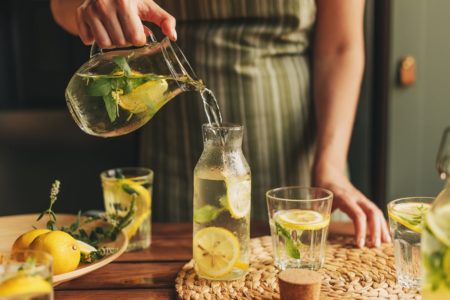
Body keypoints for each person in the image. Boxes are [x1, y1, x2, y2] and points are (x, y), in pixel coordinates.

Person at [51, 0, 391, 248]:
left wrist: (330, 167)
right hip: (178, 156)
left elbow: (340, 47)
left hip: (298, 157)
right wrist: (91, 6)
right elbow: (63, 8)